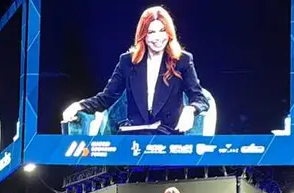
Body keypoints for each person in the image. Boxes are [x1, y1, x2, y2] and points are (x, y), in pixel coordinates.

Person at [62, 6, 208, 135]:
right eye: (151, 32)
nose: (158, 38)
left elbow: (200, 98)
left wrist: (190, 109)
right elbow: (106, 98)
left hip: (168, 136)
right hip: (135, 136)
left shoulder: (182, 60)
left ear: (169, 33)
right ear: (143, 36)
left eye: (162, 31)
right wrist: (79, 105)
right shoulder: (127, 61)